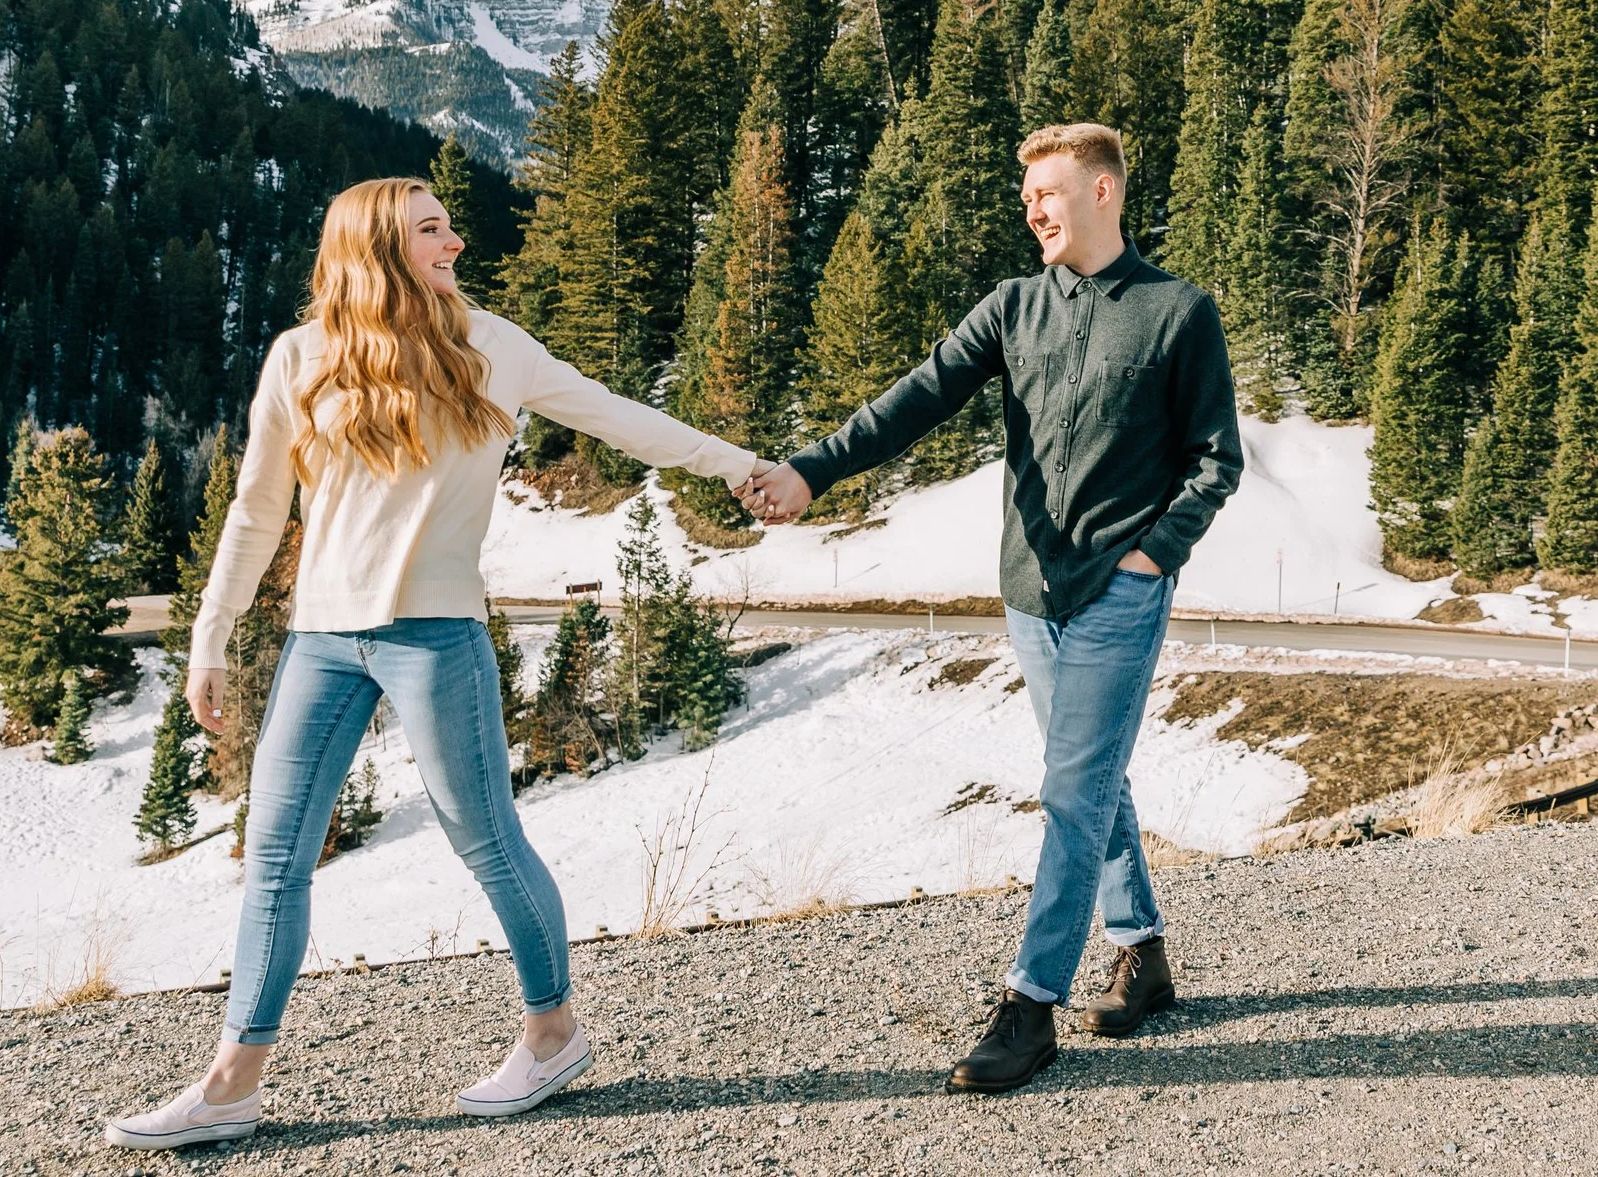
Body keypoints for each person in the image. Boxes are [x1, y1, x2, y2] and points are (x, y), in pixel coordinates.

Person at [106, 176, 764, 1151]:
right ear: (373, 247)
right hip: (320, 641)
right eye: (430, 230)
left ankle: (553, 1033)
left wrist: (737, 464)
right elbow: (254, 511)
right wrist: (211, 633)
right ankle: (231, 1080)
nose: (454, 243)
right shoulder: (302, 356)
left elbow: (617, 414)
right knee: (276, 858)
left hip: (436, 635)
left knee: (486, 839)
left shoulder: (493, 345)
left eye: (448, 226)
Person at [741, 121, 1241, 1095]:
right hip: (1028, 591)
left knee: (1073, 788)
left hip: (1116, 592)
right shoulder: (1013, 306)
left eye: (1048, 192)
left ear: (1103, 191)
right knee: (1091, 778)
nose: (1033, 209)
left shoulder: (1176, 312)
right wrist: (811, 470)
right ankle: (1142, 949)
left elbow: (1216, 459)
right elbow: (912, 400)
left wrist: (1150, 556)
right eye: (1026, 198)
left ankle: (1029, 1002)